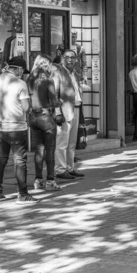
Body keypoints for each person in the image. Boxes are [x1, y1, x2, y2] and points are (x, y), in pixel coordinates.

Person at [0, 57, 38, 204]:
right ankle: (22, 195)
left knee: (0, 161)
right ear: (18, 69)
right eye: (22, 71)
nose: (22, 73)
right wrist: (30, 107)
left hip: (0, 127)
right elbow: (25, 108)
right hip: (17, 128)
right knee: (20, 161)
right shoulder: (20, 83)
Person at [26, 54, 61, 192]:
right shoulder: (48, 80)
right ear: (46, 65)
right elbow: (54, 101)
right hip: (46, 116)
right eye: (49, 64)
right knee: (50, 150)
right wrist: (60, 102)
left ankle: (38, 180)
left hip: (33, 117)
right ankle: (50, 181)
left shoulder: (30, 79)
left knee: (38, 150)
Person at [53, 50, 84, 180]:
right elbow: (54, 94)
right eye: (67, 58)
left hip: (75, 108)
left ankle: (69, 168)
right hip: (64, 111)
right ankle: (60, 169)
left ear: (76, 59)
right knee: (62, 142)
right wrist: (57, 112)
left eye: (72, 57)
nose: (70, 60)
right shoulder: (58, 73)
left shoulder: (75, 74)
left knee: (71, 143)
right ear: (62, 59)